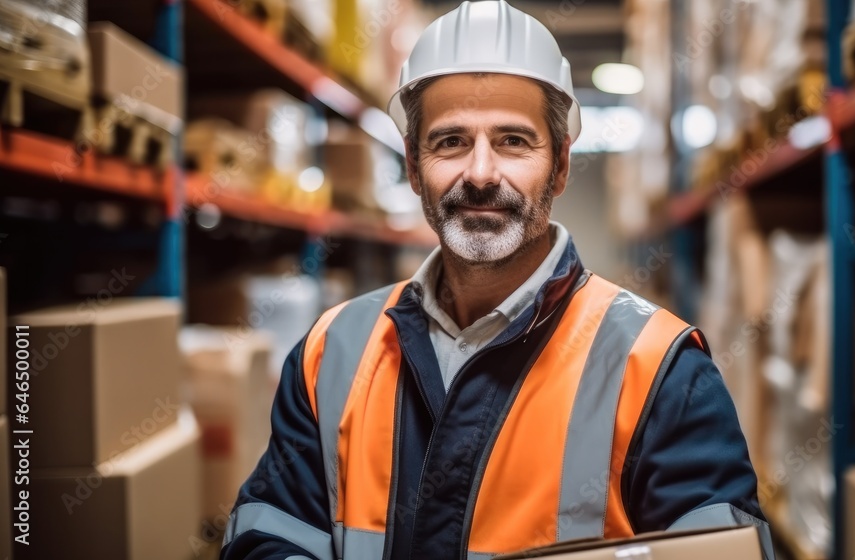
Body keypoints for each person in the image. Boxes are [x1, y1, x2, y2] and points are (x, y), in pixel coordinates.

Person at [220, 1, 773, 559]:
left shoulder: (659, 372)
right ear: (413, 167)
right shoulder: (330, 352)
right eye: (450, 141)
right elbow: (267, 535)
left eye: (513, 141)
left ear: (559, 166)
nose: (480, 173)